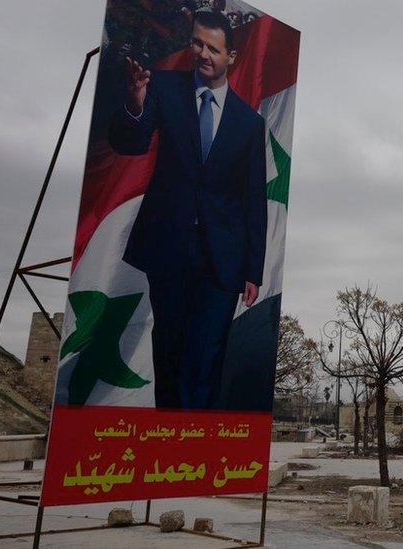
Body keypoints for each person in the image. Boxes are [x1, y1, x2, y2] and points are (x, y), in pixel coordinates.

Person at [108, 9, 267, 410]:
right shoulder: (161, 87)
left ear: (231, 56)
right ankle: (167, 447)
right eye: (197, 43)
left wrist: (253, 268)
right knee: (170, 354)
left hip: (222, 260)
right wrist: (135, 101)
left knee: (206, 359)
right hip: (170, 249)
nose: (203, 54)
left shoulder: (249, 123)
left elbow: (253, 200)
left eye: (213, 48)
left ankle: (198, 449)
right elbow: (131, 143)